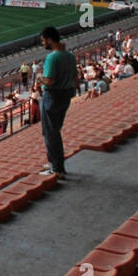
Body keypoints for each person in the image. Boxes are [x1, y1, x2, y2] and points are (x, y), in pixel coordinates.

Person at [36, 26, 77, 180]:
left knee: (50, 133)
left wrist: (39, 77)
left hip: (52, 96)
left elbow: (50, 81)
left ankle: (57, 168)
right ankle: (54, 162)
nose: (43, 44)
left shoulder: (52, 57)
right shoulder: (70, 56)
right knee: (54, 131)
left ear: (49, 39)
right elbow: (75, 78)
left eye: (43, 41)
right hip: (65, 96)